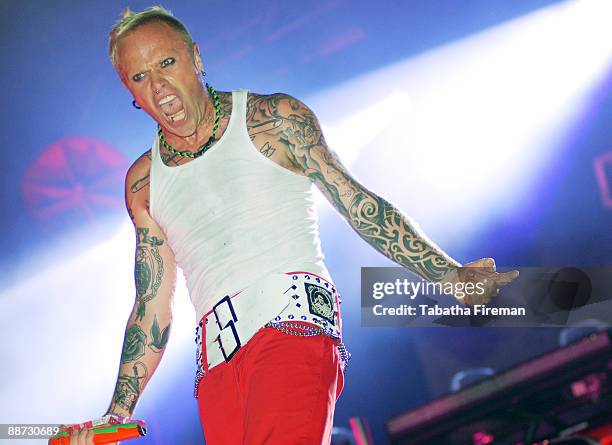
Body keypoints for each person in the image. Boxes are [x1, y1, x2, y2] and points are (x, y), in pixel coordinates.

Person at [58, 6, 519, 445]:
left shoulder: (272, 120)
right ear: (131, 94)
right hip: (218, 365)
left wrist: (449, 275)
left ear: (195, 57)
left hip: (291, 327)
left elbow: (357, 202)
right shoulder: (143, 182)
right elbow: (151, 305)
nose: (159, 88)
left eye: (167, 63)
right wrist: (117, 413)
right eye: (141, 78)